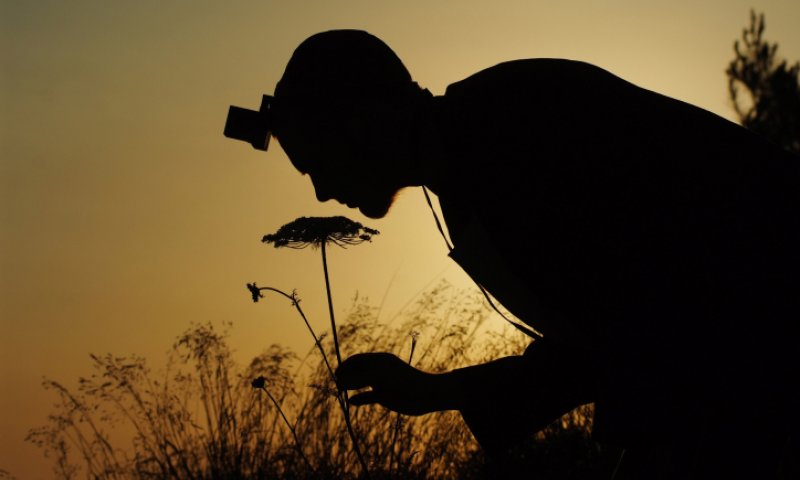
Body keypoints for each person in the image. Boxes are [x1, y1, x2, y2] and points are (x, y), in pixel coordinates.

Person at [260, 30, 799, 478]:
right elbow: (599, 341)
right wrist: (438, 390)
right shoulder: (474, 153)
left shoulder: (515, 131)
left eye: (317, 166)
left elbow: (651, 318)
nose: (322, 194)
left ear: (364, 123)